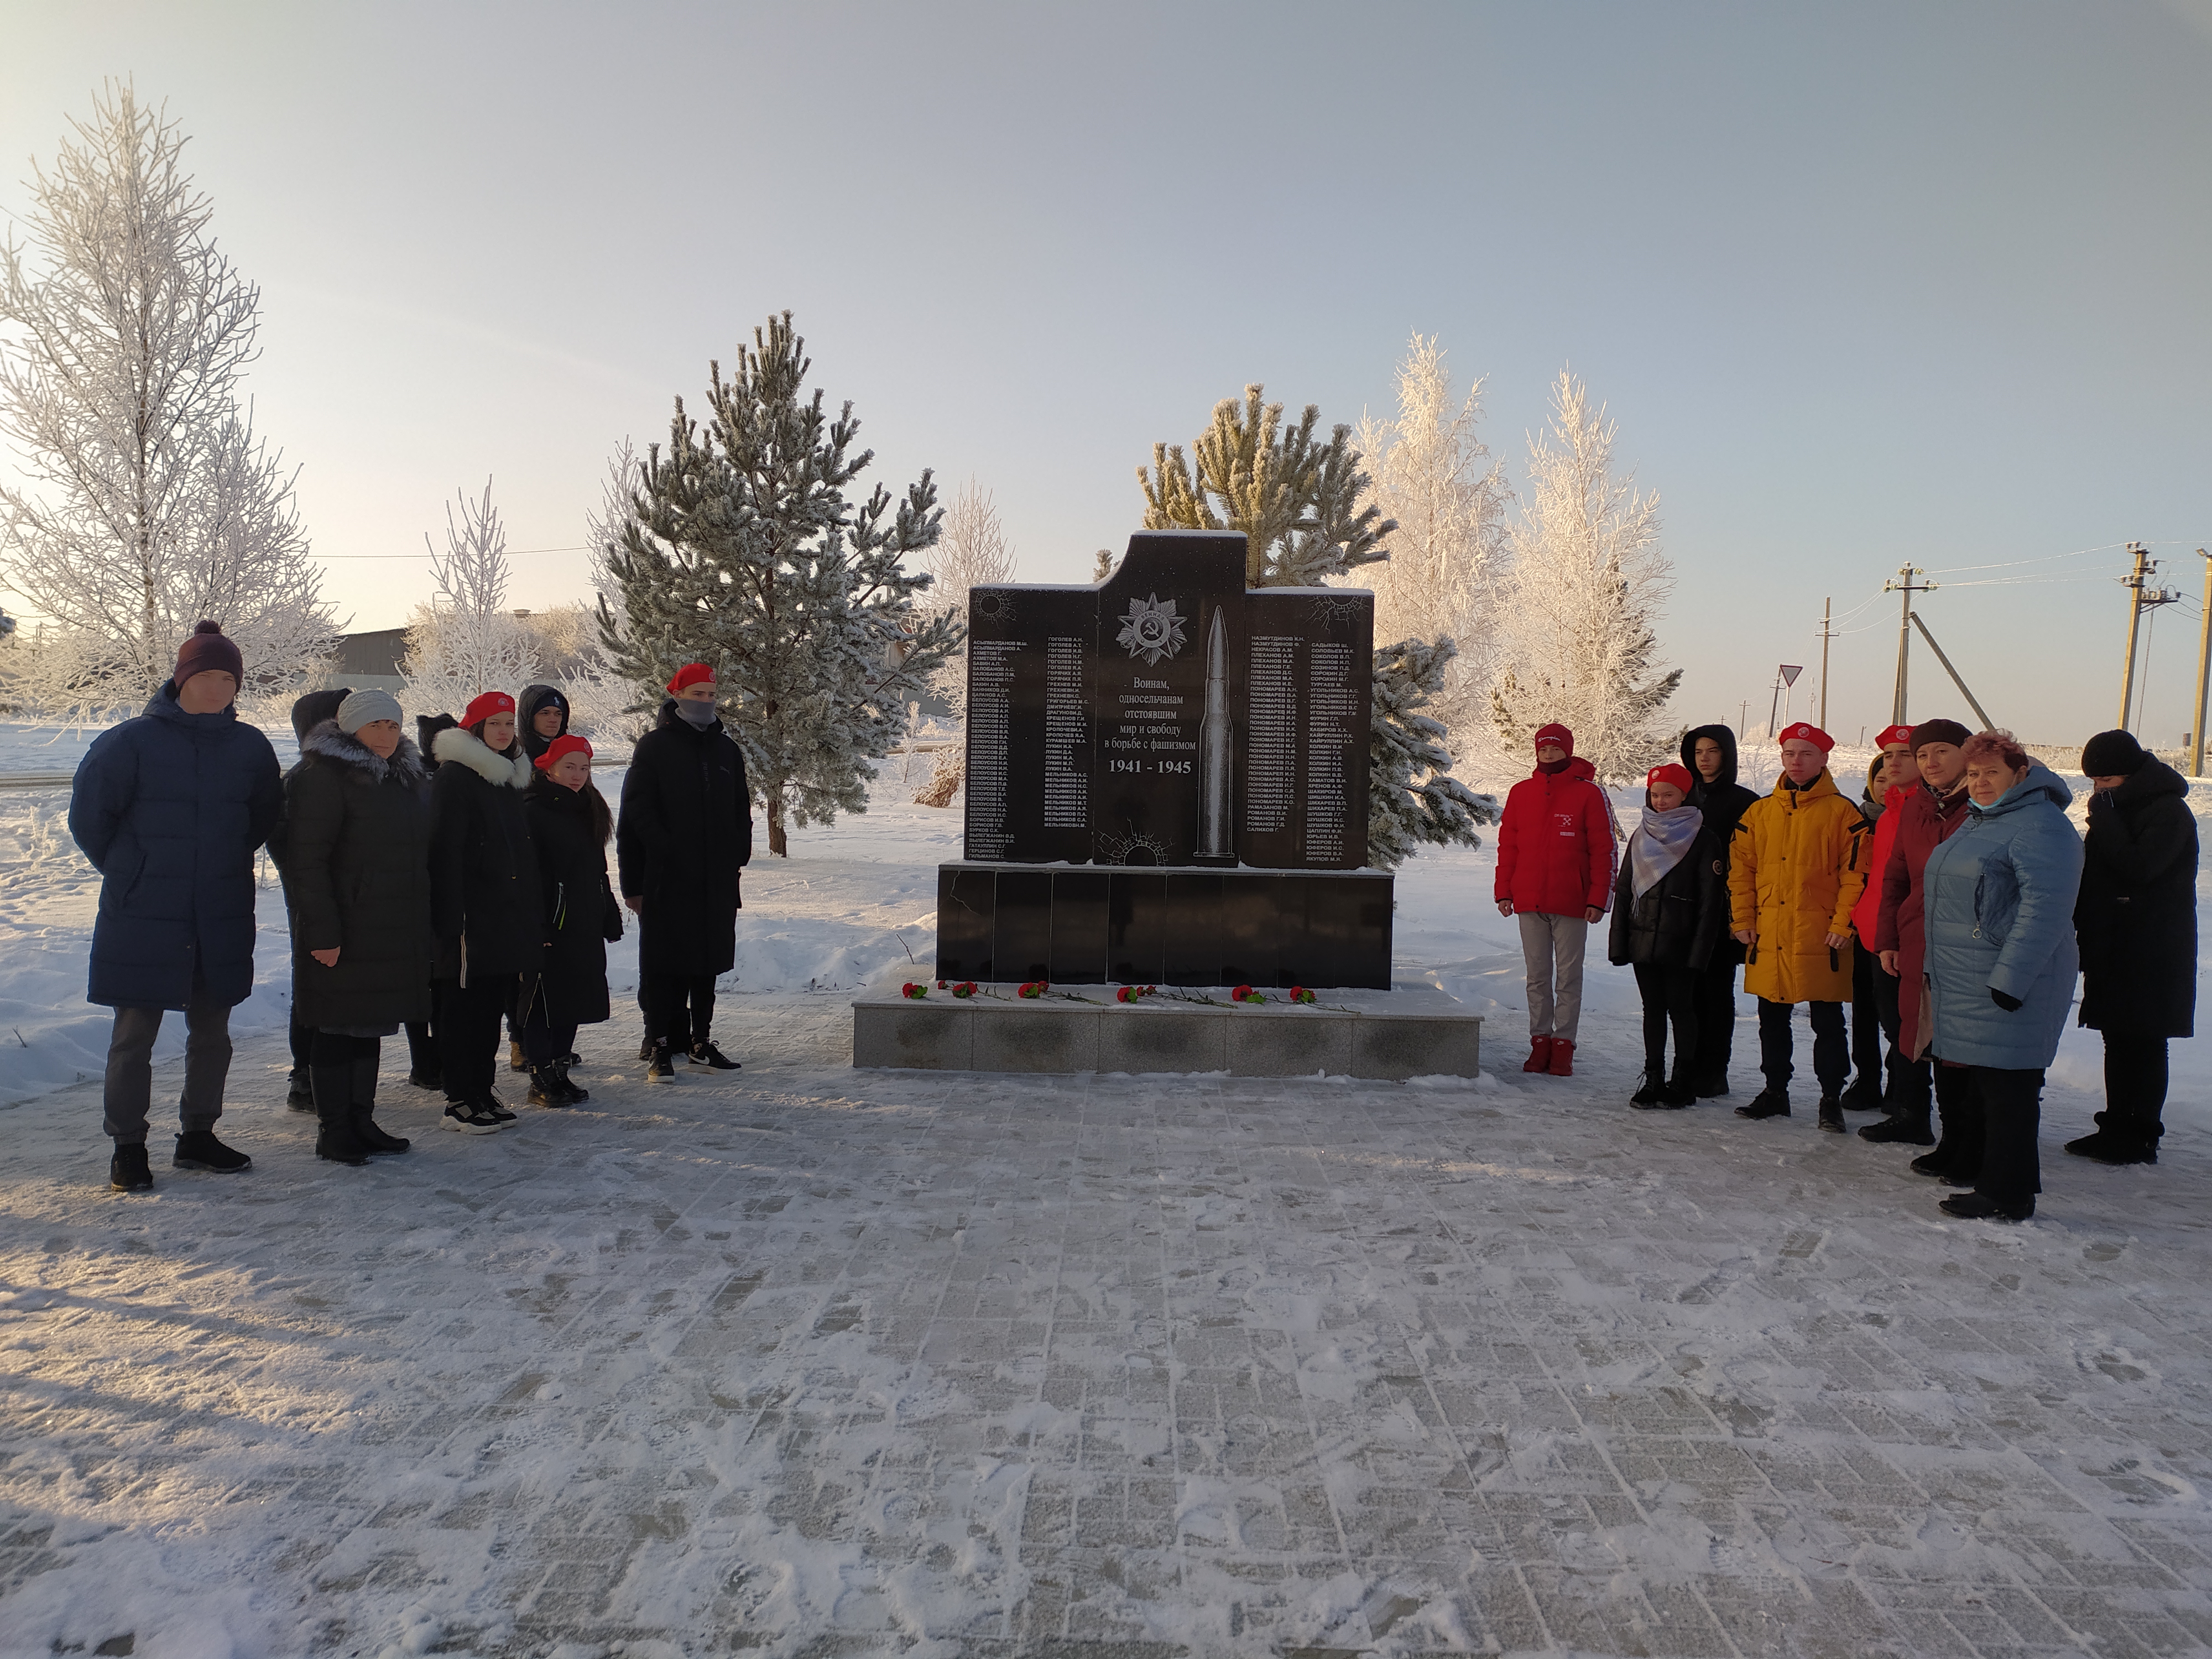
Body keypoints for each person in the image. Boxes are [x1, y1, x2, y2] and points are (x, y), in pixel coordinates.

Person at [69, 621, 283, 1192]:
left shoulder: (249, 747)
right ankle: (128, 1146)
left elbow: (261, 819)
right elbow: (90, 819)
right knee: (134, 1035)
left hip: (220, 910)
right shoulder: (129, 742)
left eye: (229, 679)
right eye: (209, 675)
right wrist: (132, 872)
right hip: (143, 912)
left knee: (212, 1032)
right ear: (182, 678)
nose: (220, 688)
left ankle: (198, 1135)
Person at [1919, 729, 2082, 1221]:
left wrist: (2011, 980)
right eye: (1973, 773)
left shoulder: (2041, 826)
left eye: (1993, 772)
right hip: (1970, 977)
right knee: (1988, 1090)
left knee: (2010, 1092)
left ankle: (2008, 1193)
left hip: (2012, 980)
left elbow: (2045, 911)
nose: (1982, 782)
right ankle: (1996, 1178)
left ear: (2021, 774)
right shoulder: (1981, 819)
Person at [280, 690, 435, 1165]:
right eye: (375, 726)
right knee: (336, 1029)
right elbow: (307, 863)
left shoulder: (402, 779)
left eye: (393, 726)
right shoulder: (321, 777)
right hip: (344, 928)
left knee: (368, 1027)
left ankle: (361, 1120)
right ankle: (334, 1130)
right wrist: (323, 934)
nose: (386, 736)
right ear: (350, 729)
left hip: (386, 927)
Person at [1727, 722, 1869, 1129]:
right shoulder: (1759, 813)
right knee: (1771, 1016)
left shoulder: (1843, 814)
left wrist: (1844, 925)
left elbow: (1856, 875)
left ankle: (1830, 1099)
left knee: (1828, 1020)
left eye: (1806, 753)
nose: (1796, 761)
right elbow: (1741, 873)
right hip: (1769, 933)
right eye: (1790, 753)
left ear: (1824, 759)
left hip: (1822, 935)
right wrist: (1742, 920)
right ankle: (1776, 1092)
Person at [2069, 728, 2197, 1166]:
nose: (2099, 791)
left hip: (2153, 946)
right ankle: (2114, 1127)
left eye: (2107, 782)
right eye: (2095, 783)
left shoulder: (2168, 811)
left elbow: (2140, 868)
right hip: (2114, 942)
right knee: (2116, 1037)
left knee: (2144, 1039)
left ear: (2130, 774)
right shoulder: (2117, 808)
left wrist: (2104, 821)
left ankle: (2141, 1134)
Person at [619, 663, 753, 1081]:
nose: (706, 702)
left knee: (706, 964)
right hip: (669, 880)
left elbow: (740, 810)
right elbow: (637, 814)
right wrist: (660, 858)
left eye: (712, 695)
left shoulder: (726, 750)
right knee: (665, 965)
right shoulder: (655, 747)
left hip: (714, 880)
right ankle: (660, 1044)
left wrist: (736, 853)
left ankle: (701, 1040)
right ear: (677, 696)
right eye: (698, 695)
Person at [426, 691, 544, 1132]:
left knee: (490, 1010)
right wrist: (450, 916)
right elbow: (444, 850)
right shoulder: (456, 777)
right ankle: (459, 1098)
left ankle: (481, 1089)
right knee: (462, 1010)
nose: (503, 731)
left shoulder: (507, 779)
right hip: (467, 920)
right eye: (494, 723)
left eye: (509, 724)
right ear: (474, 729)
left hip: (503, 917)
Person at [1867, 719, 1976, 1160]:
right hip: (1916, 938)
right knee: (1917, 1034)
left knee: (1959, 1048)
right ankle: (1928, 1127)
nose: (1930, 762)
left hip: (1964, 944)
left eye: (1941, 752)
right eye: (1923, 754)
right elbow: (1896, 878)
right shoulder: (1917, 807)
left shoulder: (1982, 806)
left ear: (1966, 754)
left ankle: (1966, 1142)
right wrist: (1888, 938)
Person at [1494, 722, 1615, 1078]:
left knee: (1568, 978)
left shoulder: (1589, 795)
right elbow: (1508, 847)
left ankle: (1563, 1045)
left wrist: (1598, 898)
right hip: (1529, 900)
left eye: (1556, 749)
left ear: (1568, 751)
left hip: (1572, 903)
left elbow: (1604, 850)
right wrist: (1504, 890)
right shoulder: (1521, 793)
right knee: (1537, 976)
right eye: (1544, 749)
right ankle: (1539, 1041)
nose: (1549, 755)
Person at [1606, 763, 1728, 1107]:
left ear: (1685, 795)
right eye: (1655, 795)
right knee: (1653, 1011)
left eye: (1669, 795)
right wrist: (1620, 942)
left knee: (1682, 1010)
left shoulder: (1704, 839)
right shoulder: (1641, 835)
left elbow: (1710, 902)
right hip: (1643, 940)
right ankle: (1653, 1078)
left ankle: (1682, 1081)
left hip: (1682, 942)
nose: (1661, 802)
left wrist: (1699, 952)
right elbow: (1626, 890)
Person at [518, 734, 621, 1105]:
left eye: (584, 767)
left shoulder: (588, 807)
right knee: (545, 1001)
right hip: (551, 924)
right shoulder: (533, 809)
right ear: (549, 768)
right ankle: (540, 1074)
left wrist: (607, 911)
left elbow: (597, 869)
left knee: (574, 998)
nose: (578, 775)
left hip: (584, 921)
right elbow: (528, 876)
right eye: (570, 767)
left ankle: (560, 1070)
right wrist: (537, 925)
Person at [271, 684, 351, 1113]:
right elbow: (289, 851)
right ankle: (305, 1073)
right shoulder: (303, 781)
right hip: (312, 900)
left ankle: (336, 1076)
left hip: (355, 898)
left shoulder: (360, 773)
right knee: (314, 984)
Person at [1679, 724, 1760, 1095]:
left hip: (1724, 913)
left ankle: (1715, 1070)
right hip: (1684, 912)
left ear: (1727, 755)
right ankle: (1688, 1064)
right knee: (1687, 995)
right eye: (1698, 752)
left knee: (1716, 993)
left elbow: (1754, 863)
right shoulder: (1682, 799)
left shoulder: (1745, 802)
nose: (1705, 758)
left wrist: (1741, 916)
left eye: (1712, 751)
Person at [1845, 726, 1920, 1120]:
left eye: (1904, 755)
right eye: (1888, 756)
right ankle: (1885, 1091)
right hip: (1872, 930)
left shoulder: (1922, 811)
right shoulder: (1891, 812)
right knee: (1880, 1015)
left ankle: (1906, 1103)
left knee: (1902, 1024)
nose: (1893, 763)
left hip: (1902, 934)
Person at [508, 681, 575, 1074]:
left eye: (558, 714)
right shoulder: (516, 757)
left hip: (564, 876)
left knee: (558, 968)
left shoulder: (568, 754)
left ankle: (551, 1040)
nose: (552, 720)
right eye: (545, 714)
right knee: (525, 970)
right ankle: (520, 1040)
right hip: (528, 870)